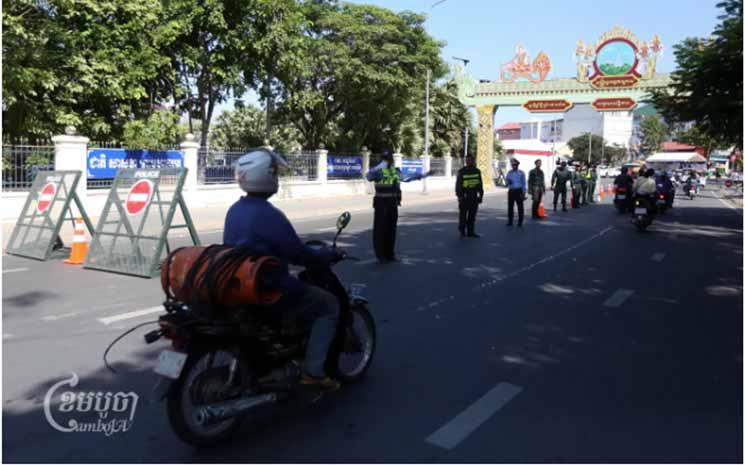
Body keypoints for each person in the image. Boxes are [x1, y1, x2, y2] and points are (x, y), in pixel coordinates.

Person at [223, 148, 341, 390]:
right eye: (274, 173)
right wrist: (328, 254)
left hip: (240, 284)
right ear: (265, 176)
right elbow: (299, 254)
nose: (277, 178)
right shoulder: (269, 214)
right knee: (328, 304)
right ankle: (313, 372)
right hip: (268, 288)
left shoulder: (235, 209)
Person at [365, 153, 425, 263]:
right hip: (381, 203)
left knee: (391, 230)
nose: (388, 161)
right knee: (380, 230)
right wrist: (380, 166)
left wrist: (419, 176)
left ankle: (390, 254)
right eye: (385, 159)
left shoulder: (395, 171)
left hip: (393, 203)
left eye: (388, 159)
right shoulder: (378, 171)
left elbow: (406, 178)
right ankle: (381, 255)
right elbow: (368, 176)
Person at [455, 155, 484, 238]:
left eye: (470, 160)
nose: (468, 162)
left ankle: (470, 232)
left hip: (474, 197)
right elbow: (458, 185)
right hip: (464, 197)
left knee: (472, 216)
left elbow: (480, 185)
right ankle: (462, 232)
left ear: (473, 161)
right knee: (463, 216)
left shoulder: (477, 171)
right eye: (467, 160)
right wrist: (459, 196)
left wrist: (481, 196)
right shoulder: (461, 171)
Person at [505, 158, 526, 226]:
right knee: (510, 207)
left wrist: (523, 192)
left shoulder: (521, 173)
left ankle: (520, 221)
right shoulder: (509, 172)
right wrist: (508, 182)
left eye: (515, 165)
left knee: (520, 207)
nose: (514, 166)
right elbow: (506, 182)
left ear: (518, 165)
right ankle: (510, 221)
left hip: (519, 191)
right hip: (511, 191)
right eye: (513, 165)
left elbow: (523, 183)